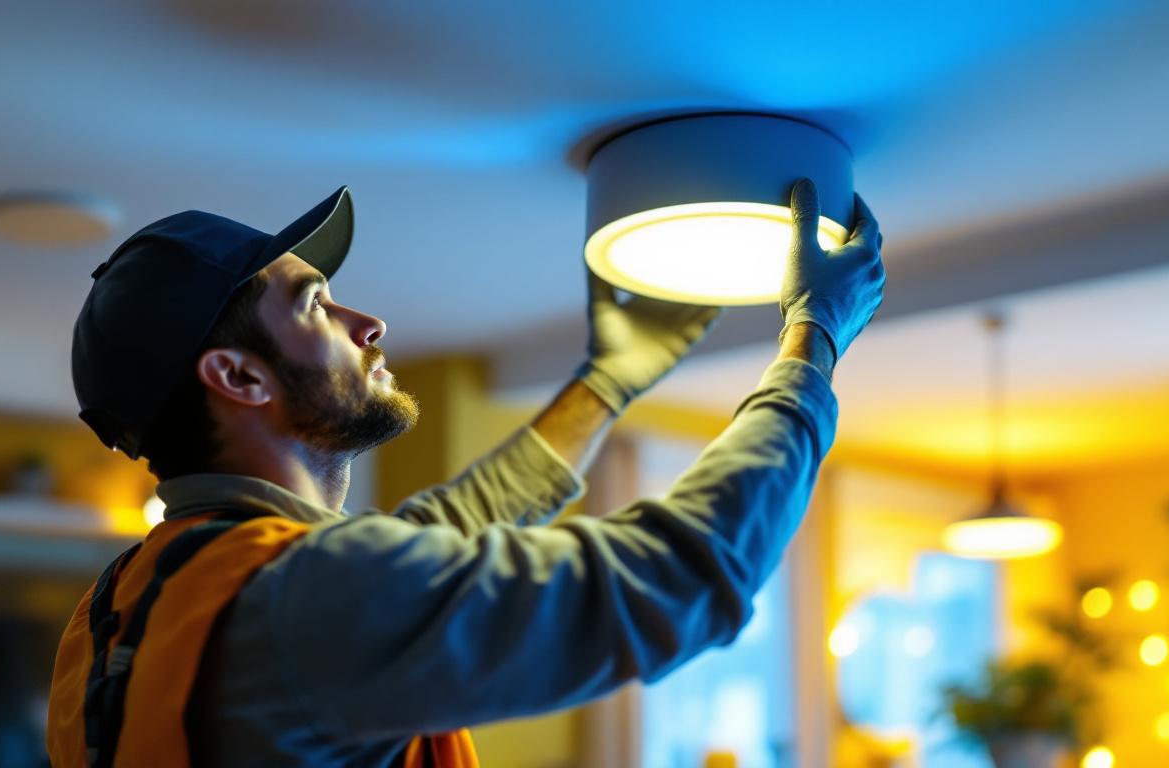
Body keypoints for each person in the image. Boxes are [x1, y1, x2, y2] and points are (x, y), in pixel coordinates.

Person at [46, 178, 884, 767]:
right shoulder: (304, 595)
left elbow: (448, 526)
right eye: (314, 305)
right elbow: (679, 576)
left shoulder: (128, 602)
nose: (368, 322)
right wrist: (812, 344)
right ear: (238, 377)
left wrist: (606, 383)